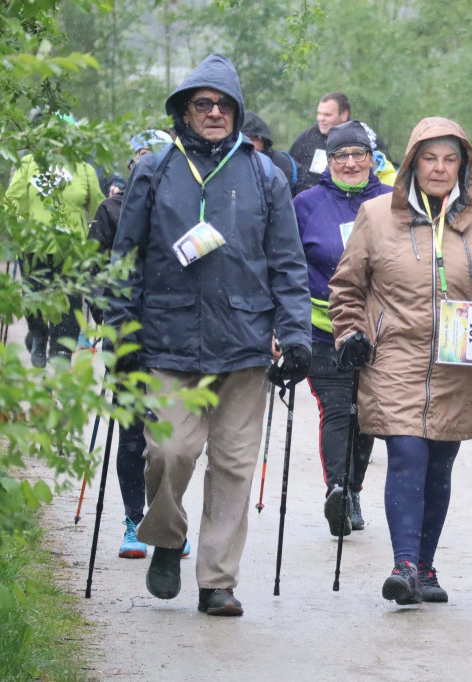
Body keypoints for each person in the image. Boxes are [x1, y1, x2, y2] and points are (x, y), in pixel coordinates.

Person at [108, 54, 311, 617]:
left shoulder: (265, 175)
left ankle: (217, 581)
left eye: (224, 104)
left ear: (238, 111)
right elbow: (123, 260)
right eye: (203, 104)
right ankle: (168, 539)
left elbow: (289, 265)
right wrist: (120, 336)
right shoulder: (154, 169)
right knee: (169, 450)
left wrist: (295, 336)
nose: (215, 112)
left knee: (234, 464)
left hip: (245, 344)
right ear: (184, 111)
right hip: (167, 340)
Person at [328, 117, 472, 605]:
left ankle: (426, 565)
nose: (439, 168)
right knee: (407, 455)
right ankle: (405, 564)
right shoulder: (376, 216)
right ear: (413, 163)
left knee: (439, 465)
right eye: (429, 158)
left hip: (459, 363)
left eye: (450, 158)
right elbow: (347, 286)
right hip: (394, 356)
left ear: (464, 164)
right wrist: (349, 333)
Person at [87, 131, 193, 561]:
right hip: (128, 342)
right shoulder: (110, 211)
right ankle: (134, 521)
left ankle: (164, 519)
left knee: (170, 441)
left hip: (177, 345)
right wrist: (108, 321)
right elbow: (93, 275)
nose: (150, 166)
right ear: (133, 164)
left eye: (160, 157)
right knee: (132, 437)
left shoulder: (185, 211)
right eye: (142, 158)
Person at [293, 120, 392, 537]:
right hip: (323, 332)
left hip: (378, 332)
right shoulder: (306, 205)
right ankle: (337, 488)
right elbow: (288, 265)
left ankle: (352, 490)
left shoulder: (394, 201)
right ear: (328, 161)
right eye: (341, 156)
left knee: (365, 414)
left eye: (359, 154)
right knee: (337, 409)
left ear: (372, 159)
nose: (350, 163)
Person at [5, 112, 104, 368]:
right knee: (34, 300)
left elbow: (99, 207)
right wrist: (16, 227)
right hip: (33, 247)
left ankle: (61, 355)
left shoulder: (83, 168)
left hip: (73, 252)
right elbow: (12, 200)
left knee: (69, 306)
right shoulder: (29, 164)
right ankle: (38, 334)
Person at [289, 92, 352, 195]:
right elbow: (289, 171)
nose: (320, 119)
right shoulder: (306, 137)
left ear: (344, 115)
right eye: (319, 113)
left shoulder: (361, 139)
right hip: (307, 206)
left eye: (327, 115)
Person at [242, 111, 298, 195]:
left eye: (253, 139)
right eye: (244, 138)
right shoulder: (234, 161)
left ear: (263, 140)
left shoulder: (281, 164)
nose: (249, 143)